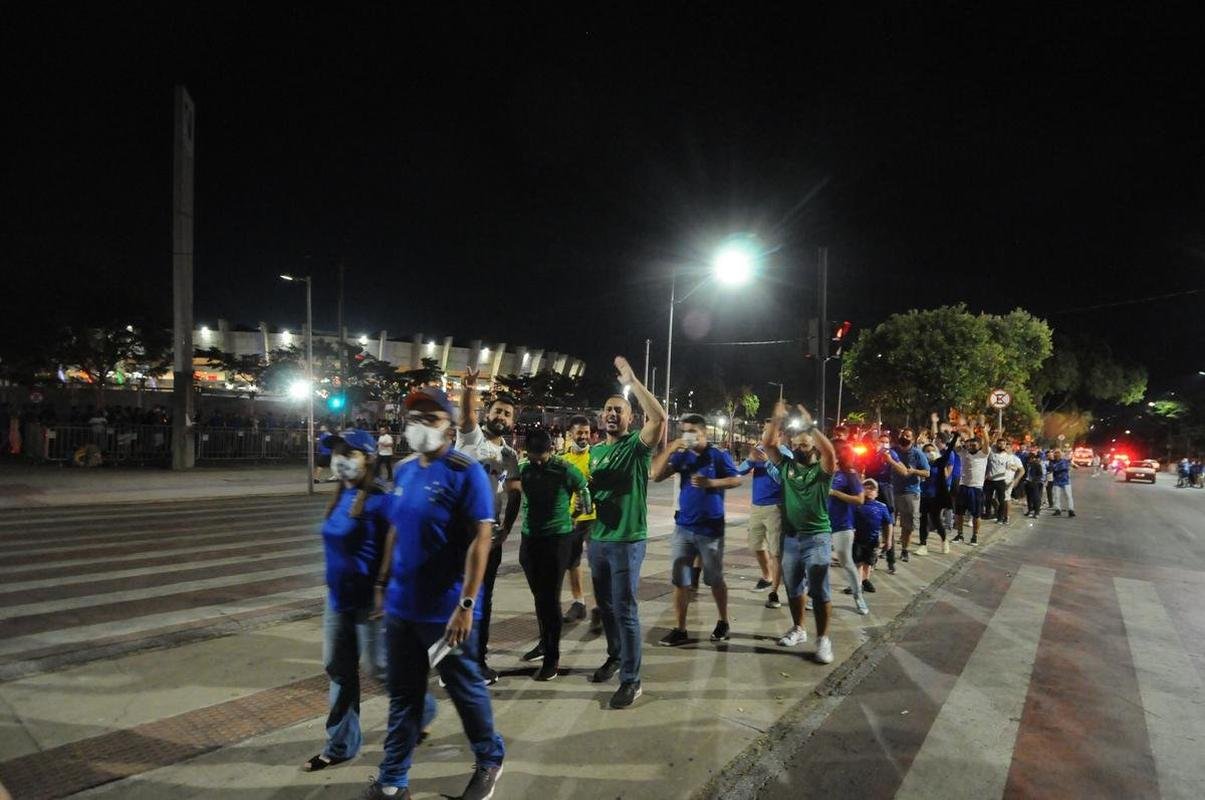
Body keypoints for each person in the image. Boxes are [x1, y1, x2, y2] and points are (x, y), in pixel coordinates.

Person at [368, 387, 503, 800]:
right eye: (415, 418)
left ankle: (489, 758)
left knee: (465, 691)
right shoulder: (406, 470)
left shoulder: (466, 472)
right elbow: (394, 529)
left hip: (446, 612)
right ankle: (393, 781)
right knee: (404, 696)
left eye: (431, 418)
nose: (421, 426)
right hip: (402, 608)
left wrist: (466, 605)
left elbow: (482, 540)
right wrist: (380, 583)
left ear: (449, 426)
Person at [304, 429, 437, 775]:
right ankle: (341, 744)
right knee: (338, 669)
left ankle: (421, 710)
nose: (340, 459)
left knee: (379, 668)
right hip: (338, 601)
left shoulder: (382, 500)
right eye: (336, 453)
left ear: (369, 459)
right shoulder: (339, 496)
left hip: (372, 602)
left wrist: (388, 588)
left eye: (350, 453)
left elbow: (405, 547)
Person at [587, 356, 667, 709]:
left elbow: (660, 419)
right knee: (605, 606)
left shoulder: (635, 447)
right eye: (608, 410)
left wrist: (633, 382)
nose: (612, 414)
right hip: (599, 540)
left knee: (626, 610)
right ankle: (615, 655)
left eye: (619, 410)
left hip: (627, 541)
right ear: (600, 416)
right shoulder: (593, 452)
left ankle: (632, 681)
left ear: (630, 418)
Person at [507, 428, 591, 680]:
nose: (538, 462)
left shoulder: (564, 469)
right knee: (539, 597)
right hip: (530, 539)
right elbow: (508, 486)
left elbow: (584, 488)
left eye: (542, 457)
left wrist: (579, 515)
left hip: (557, 540)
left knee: (551, 599)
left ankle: (552, 658)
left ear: (551, 451)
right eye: (534, 458)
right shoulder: (524, 467)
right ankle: (544, 643)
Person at [456, 370, 522, 685]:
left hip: (488, 540)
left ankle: (475, 660)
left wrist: (507, 529)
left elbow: (515, 494)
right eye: (497, 410)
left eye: (507, 414)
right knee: (455, 597)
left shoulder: (510, 456)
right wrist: (469, 389)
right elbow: (466, 414)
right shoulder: (471, 438)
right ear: (488, 413)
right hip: (456, 534)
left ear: (512, 422)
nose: (501, 416)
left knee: (483, 600)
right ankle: (454, 663)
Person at [652, 413, 742, 645]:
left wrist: (712, 483)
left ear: (704, 433)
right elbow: (656, 475)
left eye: (693, 432)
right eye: (684, 431)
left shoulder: (718, 455)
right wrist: (671, 448)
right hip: (684, 528)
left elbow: (736, 479)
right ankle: (680, 629)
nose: (688, 436)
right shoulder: (682, 456)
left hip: (710, 529)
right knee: (680, 580)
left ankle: (723, 622)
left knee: (714, 579)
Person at [764, 400, 838, 665]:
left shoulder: (822, 471)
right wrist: (776, 419)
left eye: (804, 445)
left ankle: (823, 639)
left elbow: (830, 452)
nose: (798, 449)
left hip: (817, 536)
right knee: (793, 586)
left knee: (819, 588)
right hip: (792, 537)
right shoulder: (787, 467)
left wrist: (810, 426)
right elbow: (769, 446)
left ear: (813, 448)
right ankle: (798, 628)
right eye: (795, 446)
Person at [736, 423, 793, 609]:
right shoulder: (758, 450)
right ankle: (767, 576)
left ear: (780, 435)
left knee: (776, 552)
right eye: (763, 432)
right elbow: (739, 471)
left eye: (769, 432)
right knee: (755, 545)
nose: (764, 435)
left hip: (776, 507)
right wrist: (751, 460)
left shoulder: (786, 454)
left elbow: (782, 479)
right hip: (756, 506)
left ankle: (774, 592)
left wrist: (767, 461)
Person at [559, 415, 599, 629]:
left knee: (597, 564)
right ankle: (579, 602)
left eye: (586, 432)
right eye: (579, 433)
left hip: (595, 519)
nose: (583, 436)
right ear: (570, 434)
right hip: (571, 520)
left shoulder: (595, 457)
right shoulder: (562, 460)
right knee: (572, 563)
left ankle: (600, 606)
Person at [827, 441, 868, 614]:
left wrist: (835, 493)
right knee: (818, 563)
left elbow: (860, 499)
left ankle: (858, 596)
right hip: (821, 524)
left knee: (846, 561)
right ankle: (817, 596)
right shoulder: (823, 472)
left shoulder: (849, 474)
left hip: (842, 524)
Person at [889, 428, 930, 562]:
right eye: (902, 435)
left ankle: (905, 550)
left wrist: (914, 471)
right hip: (893, 490)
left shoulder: (917, 453)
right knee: (889, 523)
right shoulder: (893, 451)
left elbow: (927, 472)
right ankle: (889, 549)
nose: (904, 437)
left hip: (911, 492)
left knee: (908, 524)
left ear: (912, 439)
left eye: (907, 436)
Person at [863, 432, 899, 575]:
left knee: (887, 525)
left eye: (885, 441)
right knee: (869, 527)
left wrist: (889, 460)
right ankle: (870, 561)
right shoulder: (869, 454)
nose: (882, 444)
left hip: (885, 491)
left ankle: (891, 560)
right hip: (870, 490)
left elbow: (900, 469)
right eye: (880, 441)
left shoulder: (891, 454)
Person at [917, 433, 957, 555]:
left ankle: (944, 540)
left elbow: (949, 450)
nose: (930, 453)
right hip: (924, 495)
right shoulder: (922, 464)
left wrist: (955, 437)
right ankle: (923, 545)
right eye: (927, 451)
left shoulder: (939, 463)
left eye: (932, 450)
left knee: (936, 520)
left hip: (936, 496)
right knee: (923, 520)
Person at [952, 425, 990, 546]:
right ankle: (960, 534)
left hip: (976, 488)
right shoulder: (964, 453)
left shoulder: (983, 454)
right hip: (963, 486)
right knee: (959, 513)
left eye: (974, 445)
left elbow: (987, 443)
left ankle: (974, 536)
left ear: (979, 446)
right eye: (970, 445)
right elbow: (955, 446)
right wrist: (957, 434)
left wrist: (984, 432)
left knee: (976, 514)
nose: (971, 446)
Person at [853, 479, 893, 592]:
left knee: (869, 562)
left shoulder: (882, 507)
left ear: (877, 493)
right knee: (859, 562)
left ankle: (865, 580)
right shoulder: (857, 505)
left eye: (872, 488)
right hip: (858, 539)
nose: (869, 491)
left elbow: (888, 524)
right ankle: (858, 583)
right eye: (866, 488)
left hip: (873, 540)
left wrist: (888, 540)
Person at [1049, 449, 1076, 517]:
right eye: (1056, 453)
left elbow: (1071, 465)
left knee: (1068, 496)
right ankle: (1058, 509)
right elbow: (1051, 469)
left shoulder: (1064, 461)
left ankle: (1071, 510)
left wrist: (1073, 465)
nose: (1057, 455)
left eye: (1058, 453)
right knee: (1056, 496)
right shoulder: (1052, 462)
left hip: (1065, 481)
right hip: (1057, 481)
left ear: (1061, 455)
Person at [1023, 445, 1046, 517]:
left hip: (1035, 483)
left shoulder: (1037, 465)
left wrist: (1034, 480)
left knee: (1036, 498)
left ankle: (1037, 512)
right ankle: (1030, 510)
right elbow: (1024, 473)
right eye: (1028, 458)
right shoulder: (1026, 465)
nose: (1029, 460)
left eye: (1031, 458)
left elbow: (1040, 475)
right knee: (1029, 498)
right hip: (1027, 483)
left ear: (1033, 458)